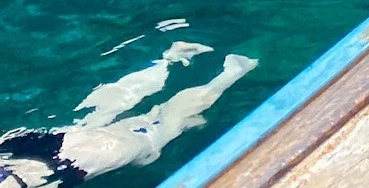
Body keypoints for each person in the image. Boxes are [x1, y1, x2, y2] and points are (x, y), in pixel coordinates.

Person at [0, 42, 257, 184]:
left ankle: (231, 73)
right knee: (97, 116)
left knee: (157, 133)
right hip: (22, 148)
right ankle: (168, 59)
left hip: (67, 165)